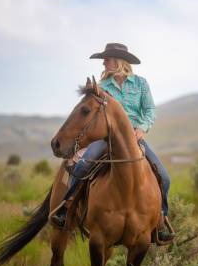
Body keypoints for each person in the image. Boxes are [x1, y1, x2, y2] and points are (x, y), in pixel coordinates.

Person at [50, 43, 174, 241]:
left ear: (118, 61)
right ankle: (67, 208)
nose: (104, 62)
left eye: (107, 58)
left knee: (164, 177)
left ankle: (160, 221)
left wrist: (141, 128)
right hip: (105, 140)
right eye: (104, 59)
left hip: (134, 140)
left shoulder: (140, 84)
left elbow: (150, 110)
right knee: (81, 166)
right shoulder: (102, 88)